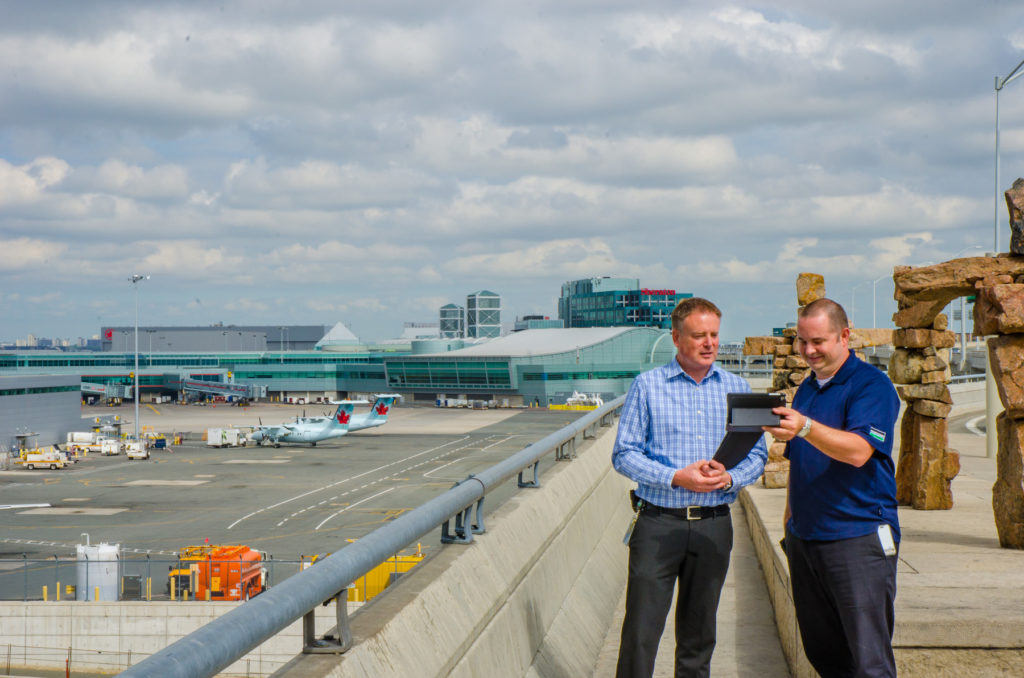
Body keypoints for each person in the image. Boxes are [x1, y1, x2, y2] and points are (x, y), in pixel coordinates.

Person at [612, 297, 768, 678]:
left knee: (700, 634)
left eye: (714, 334)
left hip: (714, 523)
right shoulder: (646, 386)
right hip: (657, 525)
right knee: (641, 631)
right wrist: (676, 476)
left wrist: (730, 477)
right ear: (676, 338)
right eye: (699, 335)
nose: (709, 343)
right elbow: (624, 454)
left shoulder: (738, 387)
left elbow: (758, 454)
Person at [764, 298, 900, 678]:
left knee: (868, 663)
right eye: (802, 342)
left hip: (857, 539)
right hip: (806, 541)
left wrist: (805, 426)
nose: (809, 351)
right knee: (825, 656)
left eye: (818, 342)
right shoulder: (808, 388)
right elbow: (798, 462)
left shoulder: (872, 385)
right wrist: (789, 525)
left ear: (844, 335)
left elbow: (858, 452)